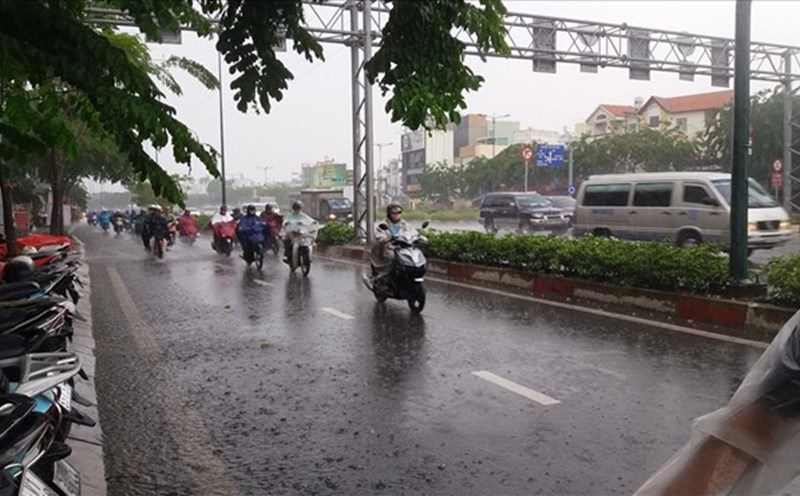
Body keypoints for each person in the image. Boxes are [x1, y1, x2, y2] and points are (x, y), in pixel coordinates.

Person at [368, 203, 422, 293]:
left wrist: (418, 237)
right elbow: (379, 236)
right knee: (392, 258)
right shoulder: (383, 224)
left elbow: (413, 232)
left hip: (402, 248)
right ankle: (384, 279)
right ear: (389, 213)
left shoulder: (404, 224)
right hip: (386, 248)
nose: (396, 215)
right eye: (394, 213)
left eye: (399, 213)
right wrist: (386, 239)